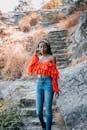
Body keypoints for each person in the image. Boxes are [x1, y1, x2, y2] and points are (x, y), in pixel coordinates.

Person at [27, 39, 61, 130]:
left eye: (44, 46)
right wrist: (35, 54)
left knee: (48, 110)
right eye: (40, 46)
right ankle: (43, 124)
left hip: (48, 83)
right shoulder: (37, 58)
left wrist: (56, 89)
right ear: (38, 48)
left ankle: (48, 128)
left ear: (47, 47)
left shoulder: (52, 58)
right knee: (38, 111)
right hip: (39, 83)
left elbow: (55, 74)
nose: (42, 48)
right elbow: (31, 68)